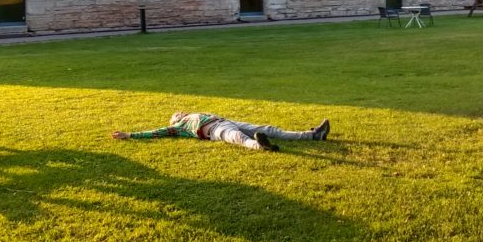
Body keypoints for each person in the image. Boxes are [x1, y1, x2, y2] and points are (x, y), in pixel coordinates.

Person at [111, 111, 330, 152]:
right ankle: (260, 146)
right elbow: (155, 132)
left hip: (225, 120)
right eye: (175, 114)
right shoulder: (177, 127)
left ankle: (312, 135)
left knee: (269, 128)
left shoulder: (193, 112)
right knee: (237, 138)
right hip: (215, 129)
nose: (178, 112)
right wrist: (130, 135)